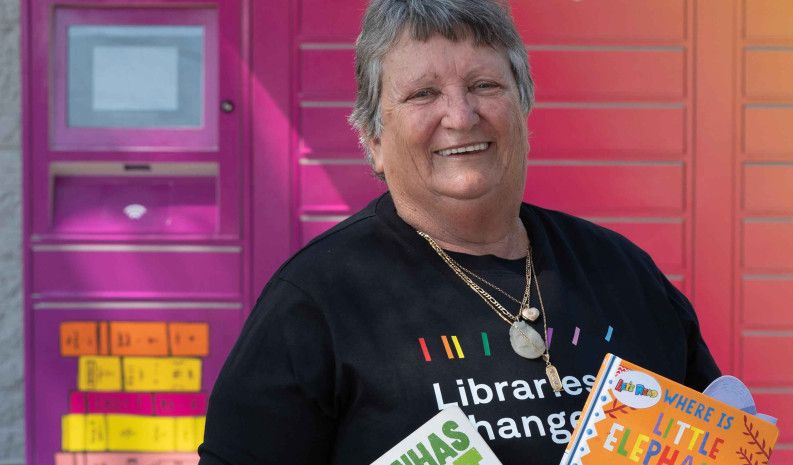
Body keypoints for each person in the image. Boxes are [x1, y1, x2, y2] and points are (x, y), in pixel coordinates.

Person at [198, 1, 720, 463]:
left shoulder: (621, 272)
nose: (460, 115)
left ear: (523, 108)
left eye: (484, 86)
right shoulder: (316, 301)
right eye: (424, 94)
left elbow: (716, 439)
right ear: (374, 139)